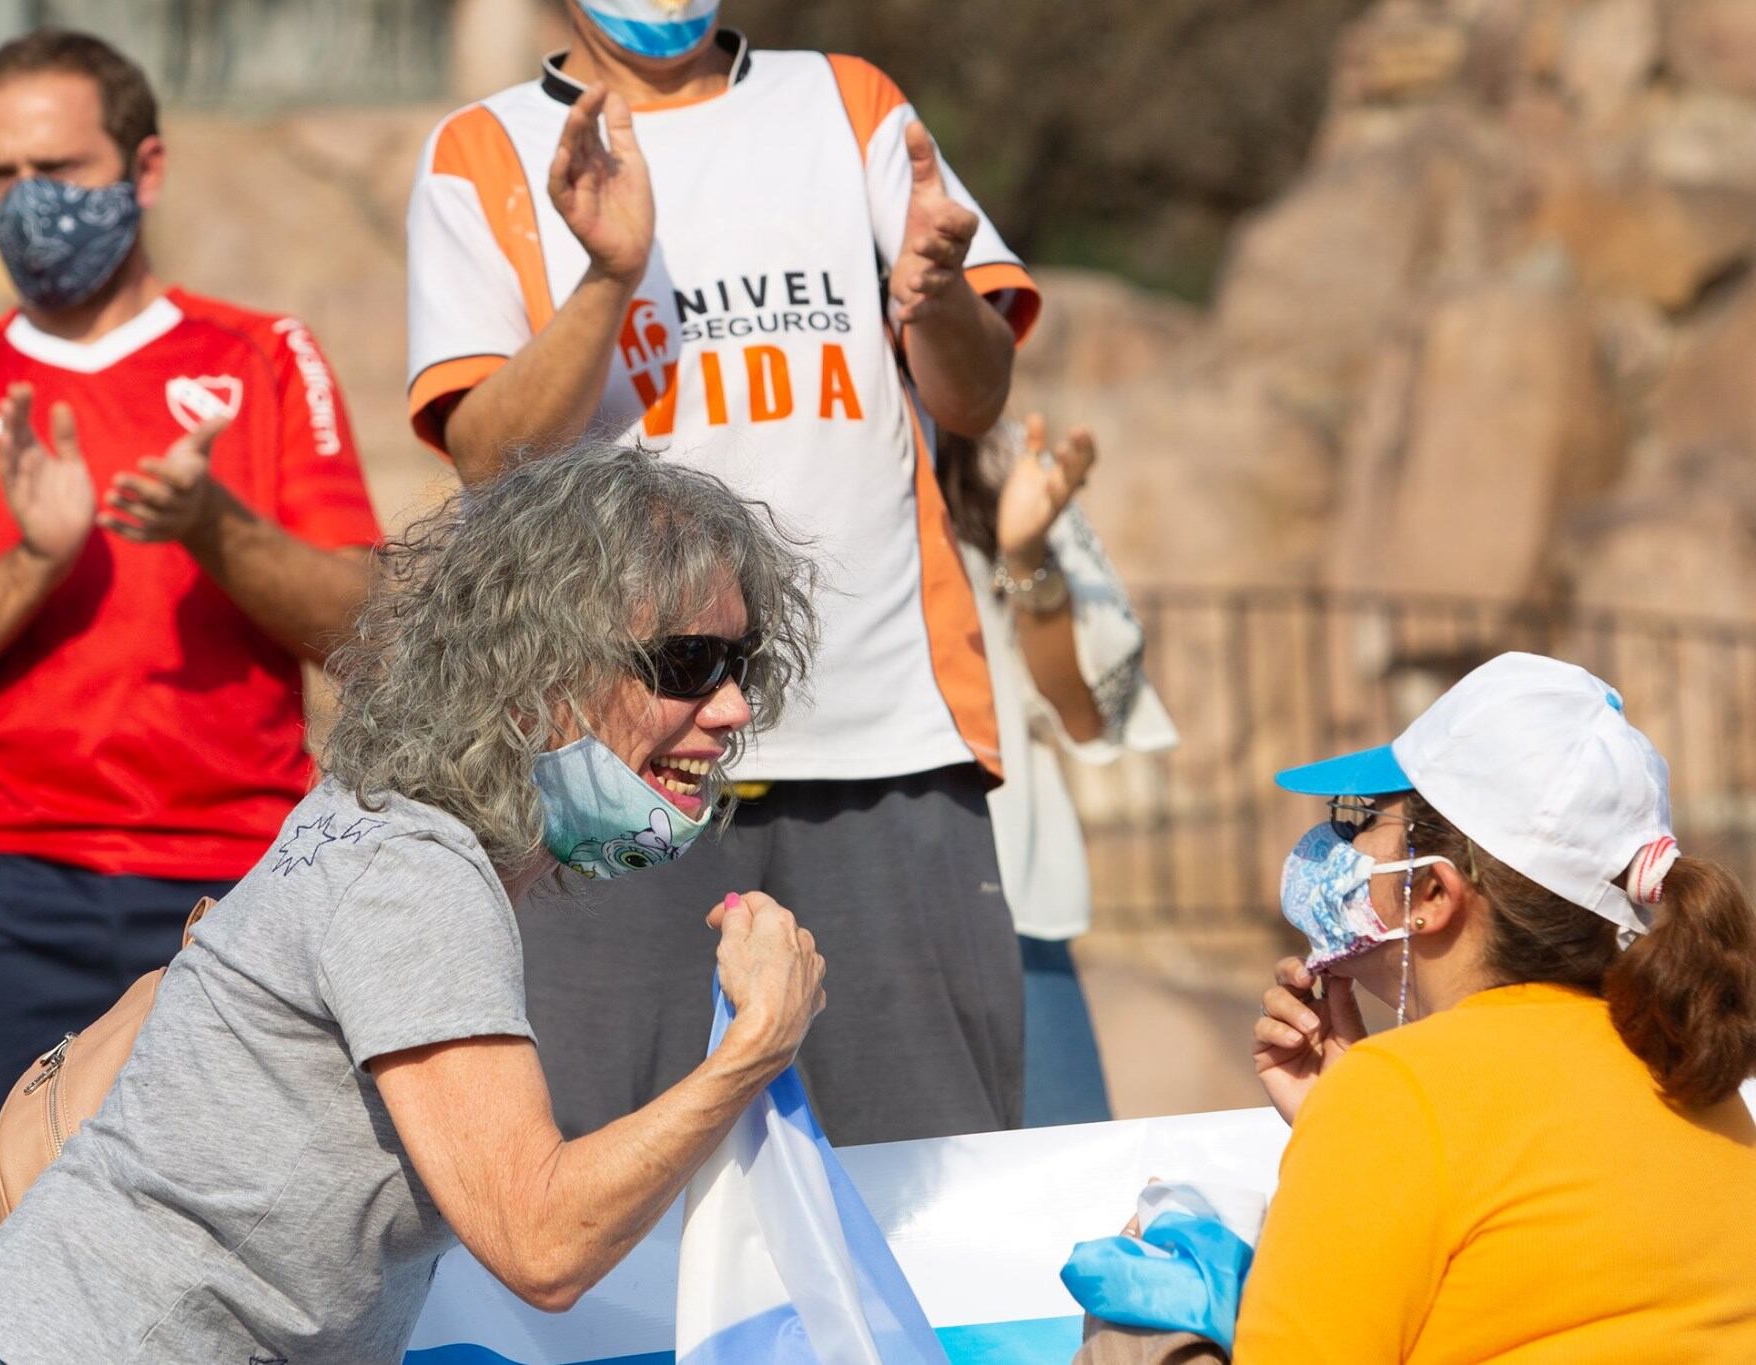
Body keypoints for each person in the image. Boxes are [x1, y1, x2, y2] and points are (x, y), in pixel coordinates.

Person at [0, 442, 828, 1363]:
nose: (735, 707)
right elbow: (543, 1243)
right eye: (689, 661)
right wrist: (754, 1047)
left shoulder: (377, 822)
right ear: (544, 668)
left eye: (739, 661)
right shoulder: (413, 874)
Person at [404, 0, 1042, 1144]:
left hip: (882, 740)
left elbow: (974, 397)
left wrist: (939, 294)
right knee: (602, 1172)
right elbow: (487, 460)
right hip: (607, 764)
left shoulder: (847, 102)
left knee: (929, 1176)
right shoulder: (482, 152)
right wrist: (606, 278)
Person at [0, 29, 380, 1245]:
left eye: (62, 168)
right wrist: (34, 559)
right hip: (5, 894)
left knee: (251, 1247)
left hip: (232, 886)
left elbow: (374, 631)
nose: (29, 201)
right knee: (18, 1262)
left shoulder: (262, 362)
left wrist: (212, 526)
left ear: (144, 167)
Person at [1079, 652, 1756, 1362]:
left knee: (1140, 1309)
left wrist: (1362, 1115)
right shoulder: (1688, 1071)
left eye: (1367, 819)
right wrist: (1345, 1125)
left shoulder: (1400, 1093)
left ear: (1433, 893)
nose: (1341, 840)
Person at [939, 414, 1176, 1127]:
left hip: (1005, 908)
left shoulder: (1005, 455)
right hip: (792, 902)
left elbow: (1084, 715)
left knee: (1065, 1199)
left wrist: (1026, 555)